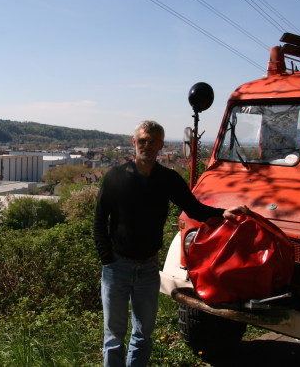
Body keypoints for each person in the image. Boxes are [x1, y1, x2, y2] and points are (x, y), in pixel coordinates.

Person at [93, 120, 250, 367]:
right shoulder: (115, 177)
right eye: (142, 140)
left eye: (152, 141)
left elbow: (195, 209)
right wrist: (107, 259)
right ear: (134, 143)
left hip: (147, 269)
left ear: (160, 145)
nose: (147, 145)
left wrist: (223, 214)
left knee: (143, 334)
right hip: (117, 267)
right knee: (114, 337)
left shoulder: (167, 179)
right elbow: (100, 221)